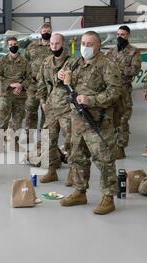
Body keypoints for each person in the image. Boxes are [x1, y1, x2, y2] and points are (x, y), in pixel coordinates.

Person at [58, 31, 121, 215]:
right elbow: (61, 81)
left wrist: (90, 99)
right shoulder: (75, 62)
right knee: (77, 157)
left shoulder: (107, 65)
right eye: (83, 43)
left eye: (90, 44)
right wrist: (60, 76)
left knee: (104, 159)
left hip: (97, 121)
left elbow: (115, 93)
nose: (85, 47)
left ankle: (108, 197)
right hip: (77, 120)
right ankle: (80, 191)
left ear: (98, 45)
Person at [36, 33, 72, 184]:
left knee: (71, 141)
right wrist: (43, 101)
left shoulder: (72, 62)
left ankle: (73, 172)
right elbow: (41, 82)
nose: (54, 46)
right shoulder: (46, 62)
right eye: (52, 44)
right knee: (48, 140)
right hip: (51, 107)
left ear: (63, 44)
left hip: (67, 108)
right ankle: (51, 170)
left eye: (57, 43)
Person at [106, 25, 141, 159]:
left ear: (128, 35)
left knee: (123, 119)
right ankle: (111, 145)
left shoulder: (134, 52)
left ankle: (121, 147)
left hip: (124, 90)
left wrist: (117, 72)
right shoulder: (111, 52)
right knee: (110, 118)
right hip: (110, 90)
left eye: (123, 35)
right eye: (119, 34)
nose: (120, 37)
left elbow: (135, 69)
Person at [0, 36, 32, 153]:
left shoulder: (24, 61)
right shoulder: (2, 60)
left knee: (17, 120)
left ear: (18, 45)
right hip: (6, 94)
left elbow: (29, 77)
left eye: (15, 44)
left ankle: (14, 143)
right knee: (3, 119)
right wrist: (11, 84)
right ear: (7, 46)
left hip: (20, 95)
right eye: (11, 45)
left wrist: (21, 85)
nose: (13, 46)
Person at [24, 23, 53, 133]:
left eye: (48, 31)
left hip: (49, 86)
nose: (46, 33)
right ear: (40, 32)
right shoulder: (32, 46)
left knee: (47, 112)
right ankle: (29, 139)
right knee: (30, 111)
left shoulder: (55, 46)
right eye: (44, 31)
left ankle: (44, 141)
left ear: (51, 32)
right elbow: (25, 63)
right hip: (33, 85)